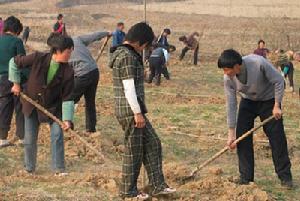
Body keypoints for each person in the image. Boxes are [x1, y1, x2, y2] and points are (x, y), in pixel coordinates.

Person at [109, 22, 176, 200]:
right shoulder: (127, 57)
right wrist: (137, 113)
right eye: (145, 45)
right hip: (131, 112)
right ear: (139, 42)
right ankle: (127, 191)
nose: (144, 49)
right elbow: (128, 87)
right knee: (134, 151)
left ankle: (157, 185)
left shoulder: (127, 54)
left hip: (134, 110)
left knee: (153, 143)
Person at [218, 49, 293, 189]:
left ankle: (285, 177)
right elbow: (231, 104)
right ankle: (246, 177)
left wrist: (277, 105)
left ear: (236, 66)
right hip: (248, 101)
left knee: (277, 137)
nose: (225, 73)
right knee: (242, 137)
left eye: (227, 69)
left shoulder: (258, 63)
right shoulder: (228, 78)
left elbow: (278, 81)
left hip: (269, 100)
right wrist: (231, 134)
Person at [9, 33, 75, 175]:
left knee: (57, 135)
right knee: (30, 138)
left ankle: (58, 168)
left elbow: (68, 97)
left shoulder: (68, 71)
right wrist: (16, 83)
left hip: (54, 107)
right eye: (68, 51)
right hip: (31, 104)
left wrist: (67, 120)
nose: (70, 55)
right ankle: (29, 168)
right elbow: (14, 62)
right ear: (58, 51)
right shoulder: (38, 58)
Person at [69, 30, 110, 133]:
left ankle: (68, 126)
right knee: (90, 102)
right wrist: (106, 33)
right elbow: (93, 36)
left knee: (68, 100)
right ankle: (91, 129)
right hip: (94, 71)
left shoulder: (61, 50)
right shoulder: (76, 39)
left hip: (82, 74)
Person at [0, 16, 26, 148]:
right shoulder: (17, 42)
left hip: (1, 79)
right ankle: (21, 137)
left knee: (4, 106)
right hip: (14, 78)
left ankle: (2, 138)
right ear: (16, 30)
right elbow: (22, 62)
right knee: (20, 107)